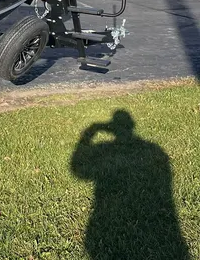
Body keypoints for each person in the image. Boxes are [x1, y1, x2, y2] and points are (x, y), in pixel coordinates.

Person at [70, 110, 188, 260]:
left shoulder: (150, 149)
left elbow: (78, 171)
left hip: (106, 222)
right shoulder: (154, 149)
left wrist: (89, 133)